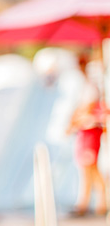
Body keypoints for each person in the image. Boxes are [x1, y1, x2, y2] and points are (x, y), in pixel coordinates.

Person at [66, 54, 107, 216]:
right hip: (85, 130)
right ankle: (87, 201)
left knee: (90, 167)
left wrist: (74, 120)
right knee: (86, 168)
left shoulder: (91, 87)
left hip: (90, 131)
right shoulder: (85, 86)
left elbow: (87, 108)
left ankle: (97, 202)